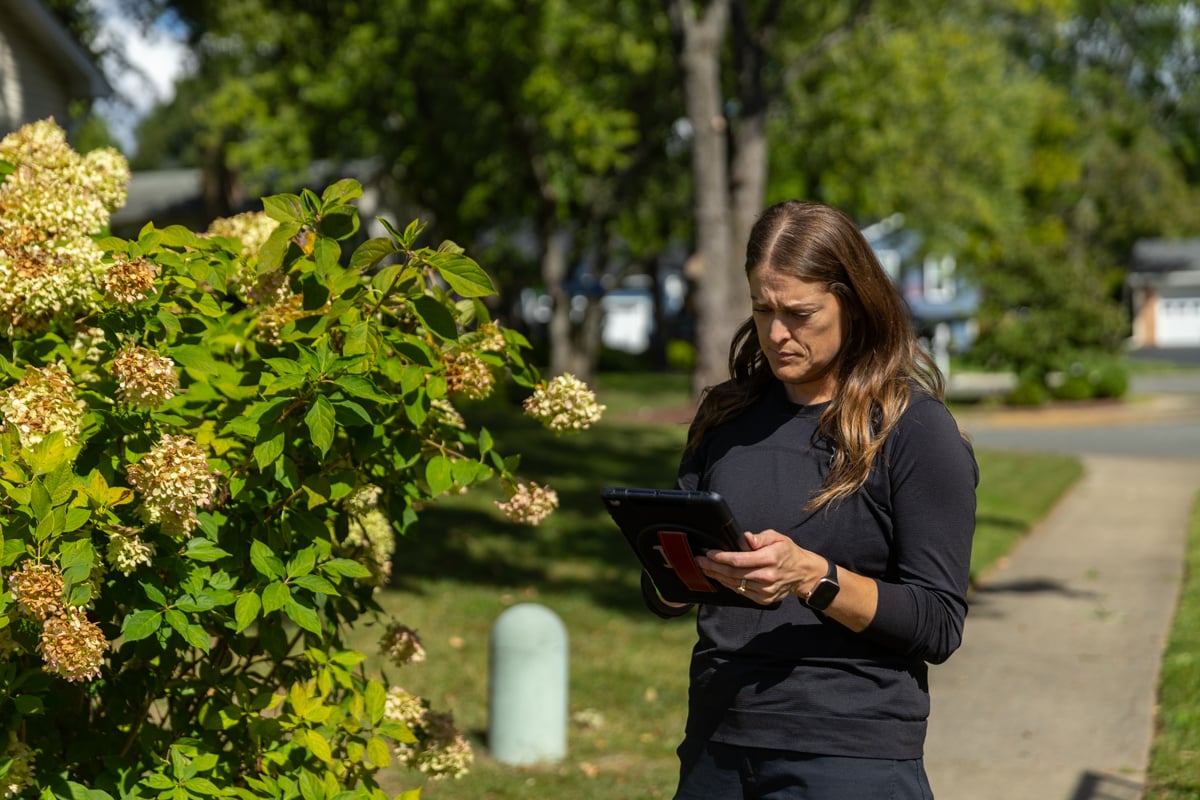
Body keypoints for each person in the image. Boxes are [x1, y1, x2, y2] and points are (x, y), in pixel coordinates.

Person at [642, 200, 978, 799]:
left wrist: (811, 577)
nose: (776, 334)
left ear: (854, 302)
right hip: (717, 744)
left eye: (800, 313)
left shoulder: (913, 430)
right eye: (762, 309)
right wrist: (677, 567)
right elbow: (666, 591)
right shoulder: (725, 416)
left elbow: (937, 623)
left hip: (849, 757)